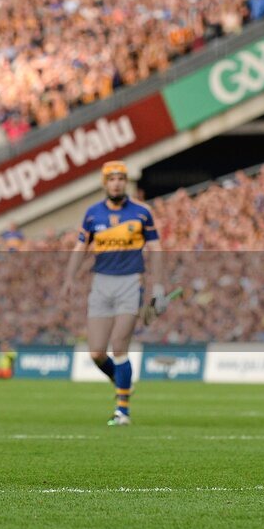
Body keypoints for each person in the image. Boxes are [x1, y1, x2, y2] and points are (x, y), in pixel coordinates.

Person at [60, 161, 169, 426]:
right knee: (97, 353)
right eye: (112, 179)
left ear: (126, 182)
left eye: (121, 178)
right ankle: (121, 381)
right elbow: (80, 247)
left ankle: (123, 410)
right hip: (101, 283)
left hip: (131, 282)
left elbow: (156, 249)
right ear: (105, 183)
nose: (117, 183)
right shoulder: (92, 213)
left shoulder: (142, 212)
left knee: (120, 344)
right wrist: (69, 278)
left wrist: (159, 286)